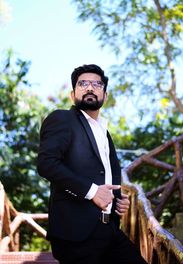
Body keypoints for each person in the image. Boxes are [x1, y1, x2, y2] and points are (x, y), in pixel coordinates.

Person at [37, 64, 147, 264]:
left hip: (109, 229)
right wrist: (92, 191)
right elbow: (46, 164)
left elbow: (100, 176)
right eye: (83, 84)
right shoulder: (62, 118)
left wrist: (116, 201)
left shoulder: (105, 134)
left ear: (105, 95)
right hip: (75, 233)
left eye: (97, 84)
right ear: (73, 94)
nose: (90, 88)